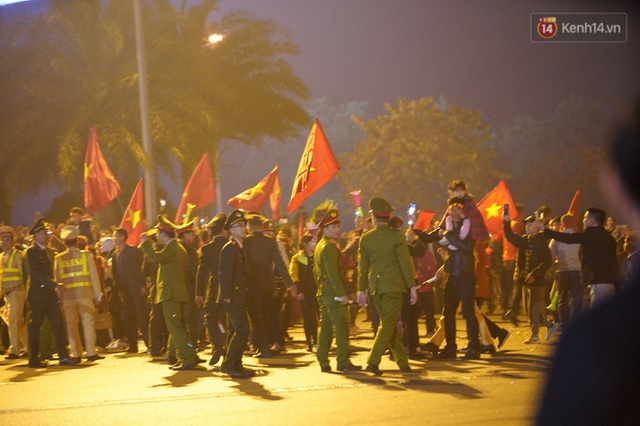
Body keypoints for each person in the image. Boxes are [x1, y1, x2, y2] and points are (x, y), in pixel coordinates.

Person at [537, 102, 640, 424]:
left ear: (615, 188)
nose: (582, 221)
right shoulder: (607, 238)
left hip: (601, 284)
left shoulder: (598, 340)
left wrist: (546, 230)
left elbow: (571, 240)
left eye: (585, 218)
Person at [415, 197, 481, 359]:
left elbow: (465, 247)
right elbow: (426, 238)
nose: (454, 211)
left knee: (468, 312)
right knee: (448, 312)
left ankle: (474, 347)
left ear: (464, 211)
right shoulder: (446, 226)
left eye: (458, 208)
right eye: (451, 208)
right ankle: (451, 347)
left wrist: (447, 234)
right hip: (451, 274)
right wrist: (417, 225)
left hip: (466, 274)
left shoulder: (470, 227)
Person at [357, 199, 417, 375]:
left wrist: (361, 289)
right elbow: (405, 263)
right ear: (388, 217)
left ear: (373, 218)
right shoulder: (396, 236)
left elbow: (362, 266)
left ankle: (402, 362)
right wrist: (412, 286)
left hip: (375, 287)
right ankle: (373, 362)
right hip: (394, 286)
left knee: (387, 324)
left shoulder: (365, 238)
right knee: (388, 325)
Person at [139, 215, 197, 371]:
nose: (157, 237)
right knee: (175, 326)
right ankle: (175, 355)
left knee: (175, 327)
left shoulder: (172, 248)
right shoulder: (176, 248)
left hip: (171, 293)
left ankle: (188, 357)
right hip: (175, 293)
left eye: (158, 234)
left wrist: (145, 243)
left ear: (164, 234)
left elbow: (155, 257)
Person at [25, 217, 79, 368]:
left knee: (58, 324)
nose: (46, 236)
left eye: (46, 233)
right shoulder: (31, 252)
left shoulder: (49, 251)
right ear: (35, 236)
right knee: (35, 326)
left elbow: (61, 251)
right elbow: (36, 274)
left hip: (49, 295)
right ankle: (33, 359)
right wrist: (55, 284)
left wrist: (54, 238)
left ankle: (63, 356)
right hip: (37, 295)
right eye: (43, 233)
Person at [314, 207, 361, 373]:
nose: (336, 230)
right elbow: (333, 273)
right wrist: (342, 295)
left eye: (337, 226)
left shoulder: (322, 245)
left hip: (325, 292)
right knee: (341, 327)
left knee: (326, 328)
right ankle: (343, 361)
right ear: (324, 229)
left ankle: (323, 360)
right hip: (333, 294)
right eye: (332, 227)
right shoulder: (327, 247)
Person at [544, 208, 619, 309]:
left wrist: (544, 229)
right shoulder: (609, 237)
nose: (583, 220)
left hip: (599, 283)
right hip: (611, 283)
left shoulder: (591, 234)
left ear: (592, 221)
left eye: (585, 217)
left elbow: (569, 238)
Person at [243, 212, 295, 358]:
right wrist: (290, 283)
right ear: (261, 226)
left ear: (249, 226)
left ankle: (261, 347)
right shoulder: (271, 241)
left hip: (253, 285)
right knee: (267, 316)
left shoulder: (246, 242)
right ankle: (266, 345)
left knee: (256, 318)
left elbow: (244, 265)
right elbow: (280, 264)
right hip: (269, 284)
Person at [54, 225, 104, 362]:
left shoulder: (58, 258)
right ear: (76, 241)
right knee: (88, 324)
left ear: (64, 242)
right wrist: (98, 294)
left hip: (67, 298)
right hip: (85, 295)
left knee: (71, 326)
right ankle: (91, 352)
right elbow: (93, 276)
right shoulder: (86, 255)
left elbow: (57, 280)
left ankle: (76, 354)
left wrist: (59, 298)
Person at [503, 215, 552, 344]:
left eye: (530, 224)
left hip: (537, 279)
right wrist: (506, 222)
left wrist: (535, 273)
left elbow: (547, 261)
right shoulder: (526, 240)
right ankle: (549, 325)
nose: (527, 226)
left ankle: (535, 335)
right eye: (526, 224)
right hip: (525, 278)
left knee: (533, 307)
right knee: (527, 308)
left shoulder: (541, 241)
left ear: (537, 226)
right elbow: (510, 236)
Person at [218, 210, 254, 378]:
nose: (243, 228)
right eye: (239, 226)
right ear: (231, 230)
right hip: (231, 296)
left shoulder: (239, 247)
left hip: (238, 296)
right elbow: (224, 274)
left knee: (234, 331)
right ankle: (228, 363)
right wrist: (226, 295)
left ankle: (236, 364)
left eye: (244, 225)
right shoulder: (229, 248)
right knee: (243, 329)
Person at [196, 213, 227, 366]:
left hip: (214, 289)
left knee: (210, 319)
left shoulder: (207, 249)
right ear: (224, 230)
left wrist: (199, 293)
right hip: (232, 289)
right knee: (229, 321)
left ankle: (217, 346)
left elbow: (201, 273)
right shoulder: (232, 245)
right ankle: (227, 348)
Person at [111, 227, 149, 354]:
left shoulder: (134, 251)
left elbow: (142, 269)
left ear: (122, 237)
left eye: (116, 236)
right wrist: (119, 290)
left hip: (137, 290)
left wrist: (144, 285)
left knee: (142, 318)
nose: (114, 238)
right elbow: (115, 274)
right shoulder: (115, 254)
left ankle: (150, 345)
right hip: (125, 292)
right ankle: (133, 345)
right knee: (128, 320)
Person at [548, 214, 583, 330]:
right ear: (573, 223)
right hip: (576, 271)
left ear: (562, 223)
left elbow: (551, 256)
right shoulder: (579, 237)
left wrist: (551, 268)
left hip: (561, 271)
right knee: (576, 298)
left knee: (562, 299)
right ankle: (575, 325)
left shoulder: (556, 238)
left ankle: (563, 325)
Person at [0, 226, 28, 359]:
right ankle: (28, 347)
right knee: (18, 321)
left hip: (17, 292)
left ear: (12, 241)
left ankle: (14, 349)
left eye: (6, 239)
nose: (3, 242)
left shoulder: (17, 255)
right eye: (2, 239)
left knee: (12, 320)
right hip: (7, 294)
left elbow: (23, 274)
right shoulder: (1, 256)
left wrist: (25, 291)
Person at [289, 233, 318, 352]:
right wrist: (299, 291)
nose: (314, 244)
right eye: (312, 242)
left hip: (317, 291)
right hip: (304, 292)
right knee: (307, 318)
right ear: (305, 244)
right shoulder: (298, 258)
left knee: (317, 317)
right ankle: (309, 342)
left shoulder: (317, 256)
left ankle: (317, 341)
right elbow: (294, 275)